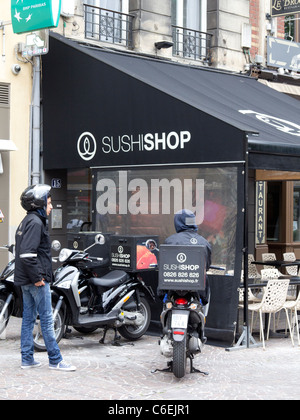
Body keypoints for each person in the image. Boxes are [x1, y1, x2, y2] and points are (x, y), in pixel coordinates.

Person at [15, 184, 76, 371]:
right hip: (35, 280)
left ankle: (27, 359)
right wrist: (38, 278)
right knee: (47, 320)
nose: (51, 207)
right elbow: (27, 254)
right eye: (48, 203)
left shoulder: (27, 221)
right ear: (40, 204)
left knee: (28, 319)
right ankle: (56, 359)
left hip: (26, 280)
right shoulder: (35, 222)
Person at [164, 209, 212, 305]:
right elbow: (206, 265)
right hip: (197, 288)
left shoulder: (169, 241)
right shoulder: (204, 242)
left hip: (172, 286)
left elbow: (163, 266)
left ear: (177, 222)